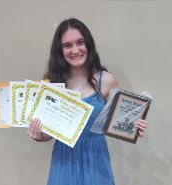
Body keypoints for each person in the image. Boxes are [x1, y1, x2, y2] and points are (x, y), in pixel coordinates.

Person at [27, 18, 147, 185]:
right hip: (63, 160)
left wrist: (133, 127)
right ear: (60, 50)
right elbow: (50, 133)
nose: (75, 50)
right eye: (67, 45)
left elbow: (119, 121)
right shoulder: (52, 83)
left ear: (88, 44)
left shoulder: (107, 80)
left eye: (80, 42)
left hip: (96, 159)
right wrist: (39, 135)